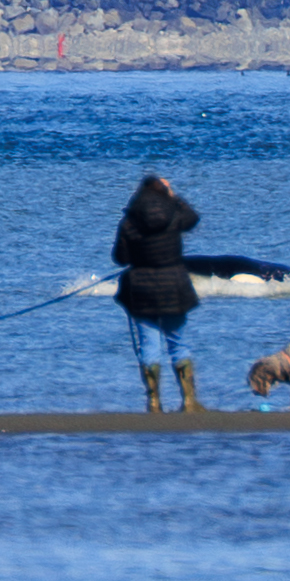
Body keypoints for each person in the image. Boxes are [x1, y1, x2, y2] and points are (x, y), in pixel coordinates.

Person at [112, 175, 205, 413]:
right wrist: (175, 197)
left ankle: (154, 402)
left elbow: (120, 258)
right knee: (178, 343)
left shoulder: (129, 221)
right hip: (174, 284)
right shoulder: (174, 213)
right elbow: (193, 219)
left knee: (148, 345)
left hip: (141, 287)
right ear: (164, 191)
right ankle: (189, 401)